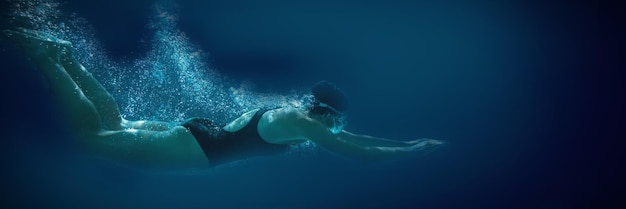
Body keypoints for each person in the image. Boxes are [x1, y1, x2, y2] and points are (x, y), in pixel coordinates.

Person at [4, 28, 444, 169]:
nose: (334, 130)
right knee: (92, 136)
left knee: (113, 125)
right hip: (198, 147)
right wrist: (413, 149)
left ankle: (67, 58)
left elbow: (354, 138)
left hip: (198, 136)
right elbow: (355, 147)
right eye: (335, 122)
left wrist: (406, 144)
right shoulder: (307, 124)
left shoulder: (291, 112)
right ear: (327, 114)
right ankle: (48, 58)